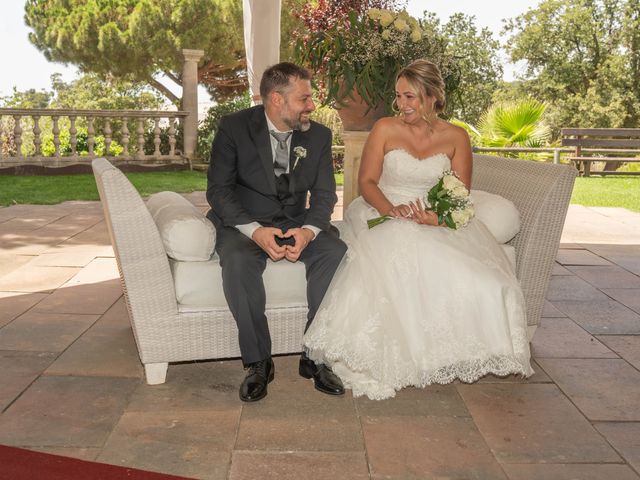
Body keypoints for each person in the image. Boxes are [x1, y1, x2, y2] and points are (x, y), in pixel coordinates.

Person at [303, 59, 533, 400]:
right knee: (398, 256)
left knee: (490, 280)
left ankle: (451, 355)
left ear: (432, 96)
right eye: (398, 97)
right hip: (382, 208)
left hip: (433, 214)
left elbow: (459, 193)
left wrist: (435, 218)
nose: (402, 105)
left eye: (410, 96)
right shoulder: (384, 128)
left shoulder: (456, 136)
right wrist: (391, 210)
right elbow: (366, 182)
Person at [207, 62, 347, 402]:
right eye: (304, 98)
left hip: (297, 221)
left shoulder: (319, 135)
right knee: (238, 262)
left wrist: (309, 231)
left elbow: (326, 194)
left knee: (334, 251)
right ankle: (258, 363)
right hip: (244, 223)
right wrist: (255, 232)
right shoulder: (233, 128)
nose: (312, 106)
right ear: (276, 99)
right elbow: (219, 191)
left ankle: (314, 356)